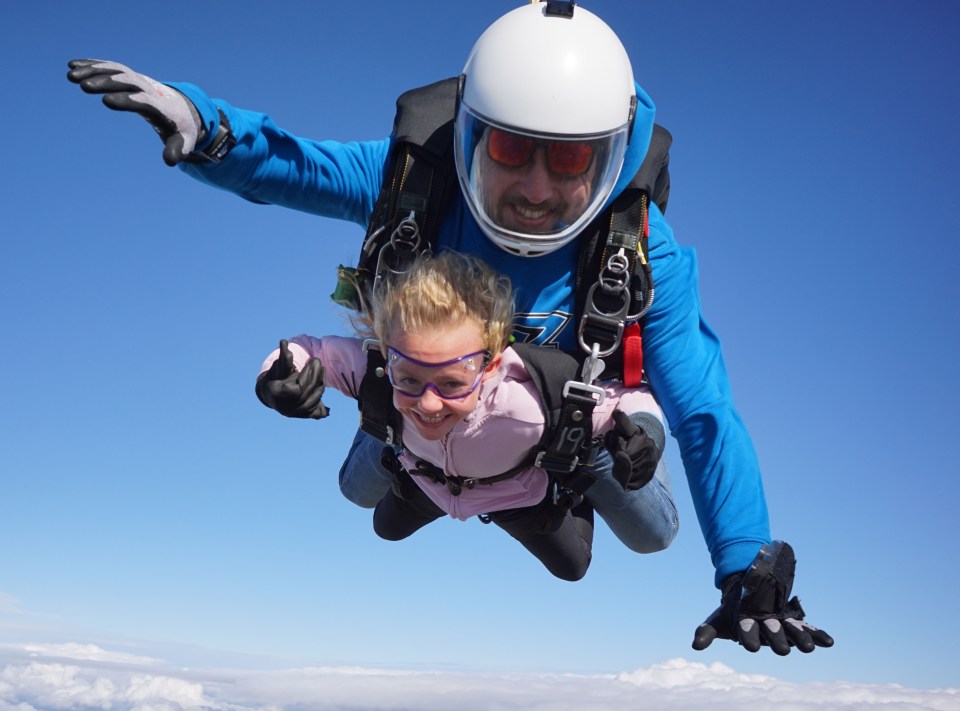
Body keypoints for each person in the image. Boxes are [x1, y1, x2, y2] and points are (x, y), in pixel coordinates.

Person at [66, 1, 833, 655]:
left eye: (569, 162)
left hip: (563, 433)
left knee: (648, 528)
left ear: (610, 160)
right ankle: (441, 470)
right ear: (470, 132)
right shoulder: (416, 181)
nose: (536, 188)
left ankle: (515, 483)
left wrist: (746, 565)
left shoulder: (638, 249)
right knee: (359, 491)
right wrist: (208, 128)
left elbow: (701, 408)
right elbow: (292, 167)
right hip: (426, 407)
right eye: (509, 148)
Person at [256, 250, 666, 582]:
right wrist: (276, 379)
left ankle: (574, 485)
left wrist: (644, 437)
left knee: (572, 567)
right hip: (422, 477)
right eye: (410, 378)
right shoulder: (378, 368)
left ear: (489, 367)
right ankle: (387, 435)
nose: (429, 403)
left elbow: (623, 399)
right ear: (389, 356)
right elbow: (310, 350)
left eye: (451, 384)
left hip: (517, 494)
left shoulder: (530, 400)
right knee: (378, 517)